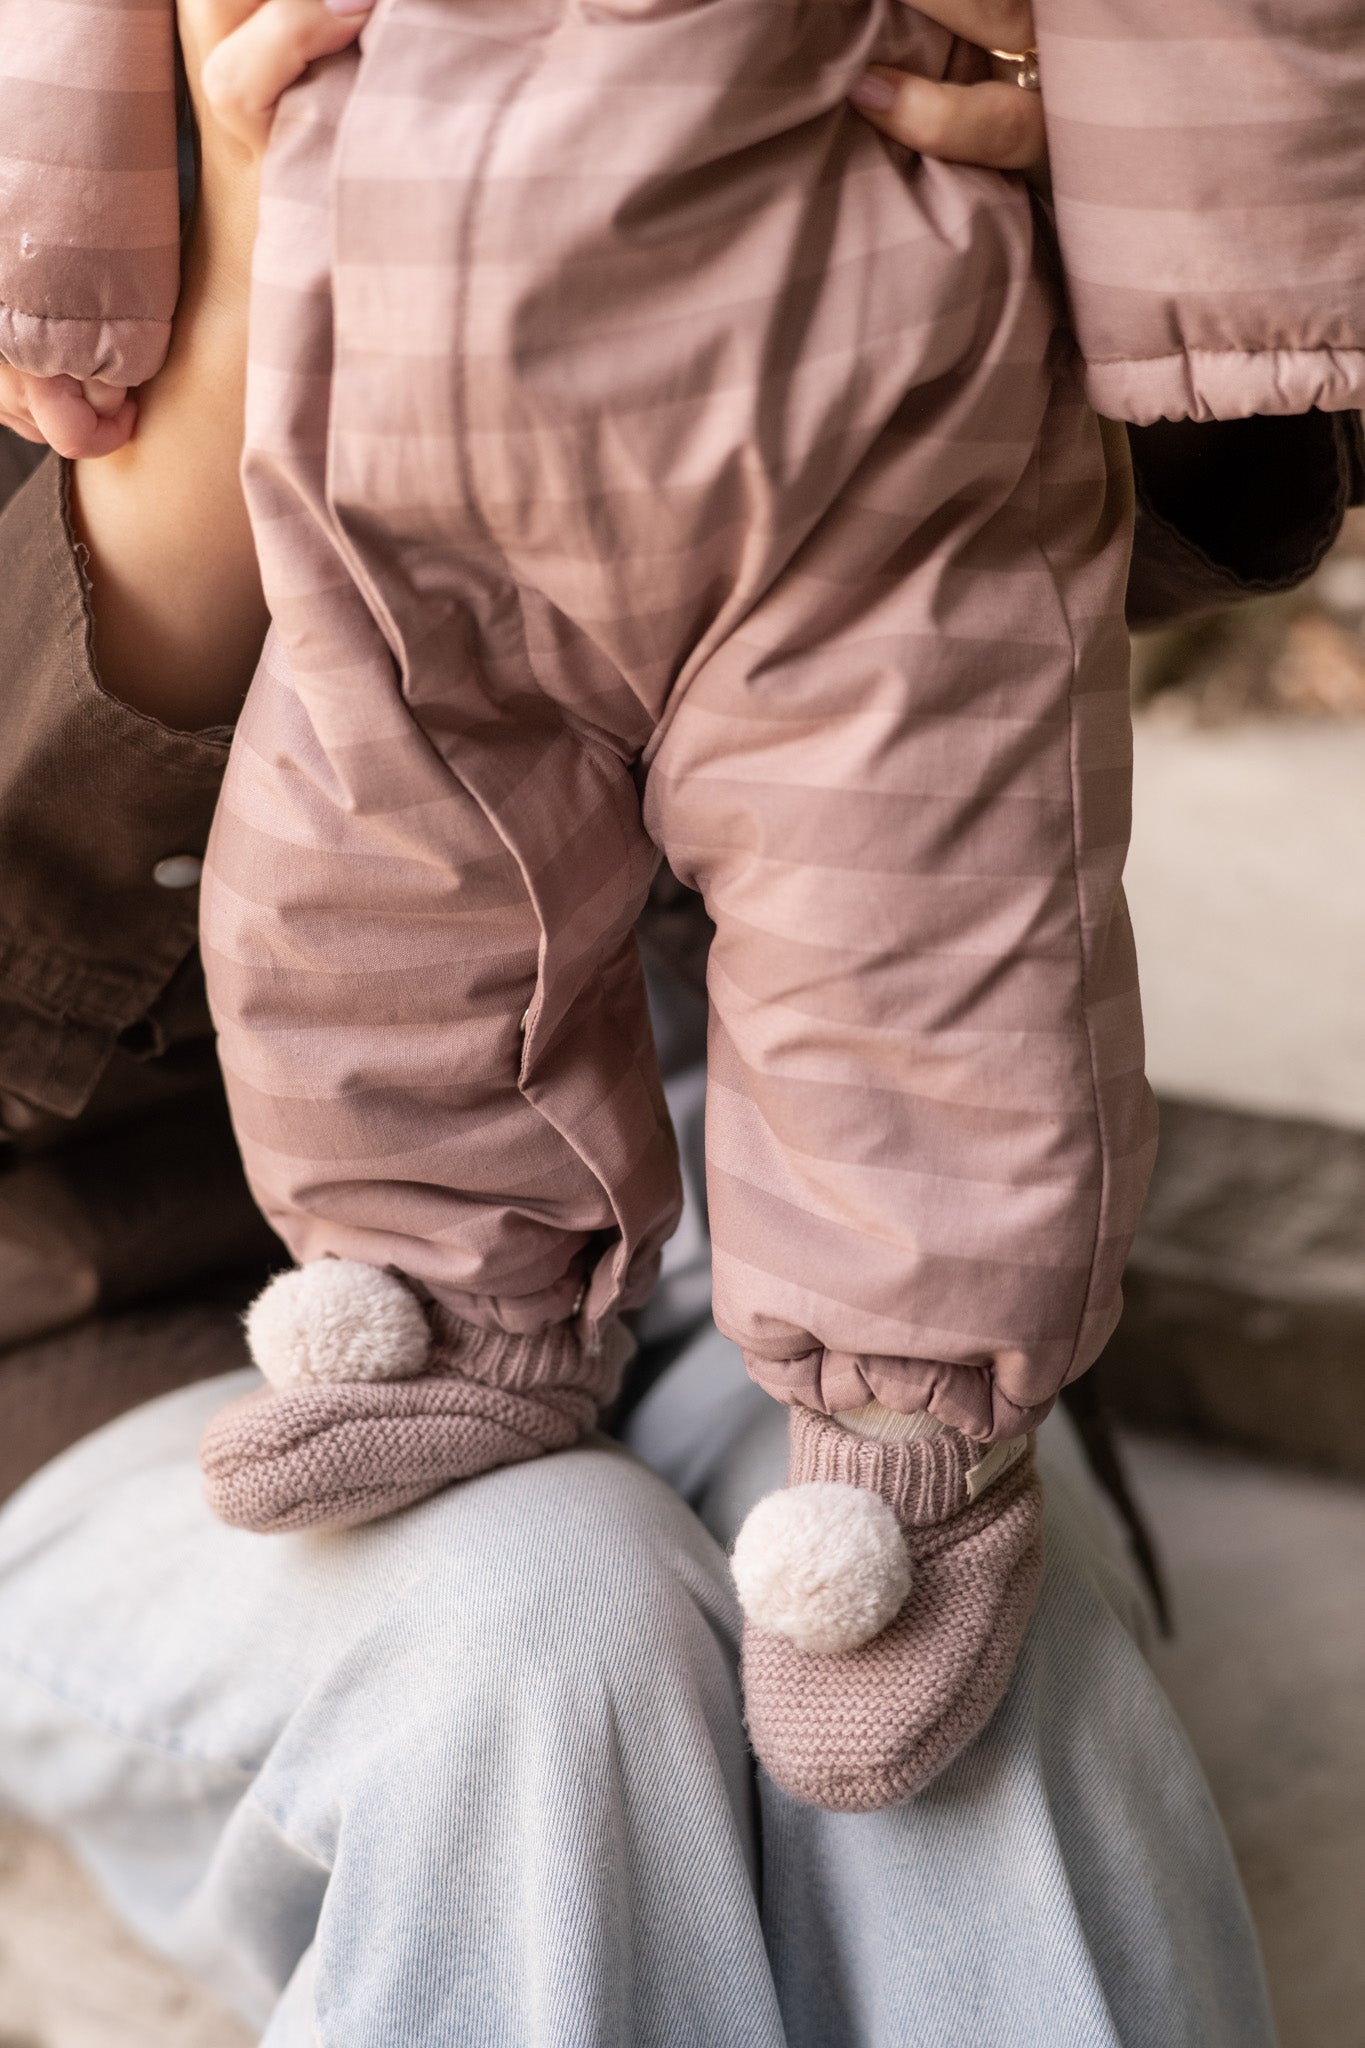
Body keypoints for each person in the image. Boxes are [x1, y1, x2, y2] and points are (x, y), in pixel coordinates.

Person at [0, 0, 1359, 2033]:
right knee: (543, 1646)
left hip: (784, 1089)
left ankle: (907, 1396)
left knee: (940, 1630)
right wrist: (221, 354)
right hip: (110, 1291)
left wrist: (1039, 195)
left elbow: (1059, 561)